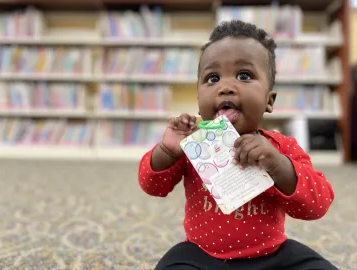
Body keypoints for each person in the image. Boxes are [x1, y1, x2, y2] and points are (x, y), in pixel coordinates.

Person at [138, 20, 337, 270]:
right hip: (203, 254)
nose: (225, 87)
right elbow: (152, 185)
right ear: (199, 100)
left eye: (244, 76)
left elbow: (317, 205)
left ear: (269, 100)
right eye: (212, 78)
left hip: (272, 255)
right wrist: (166, 151)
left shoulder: (280, 146)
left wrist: (277, 164)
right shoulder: (192, 143)